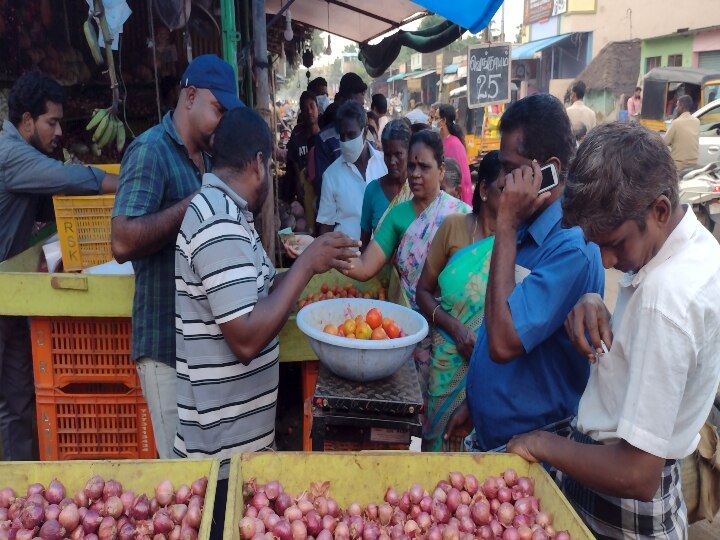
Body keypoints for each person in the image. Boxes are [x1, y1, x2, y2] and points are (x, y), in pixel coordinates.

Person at [508, 122, 720, 539]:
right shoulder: (690, 247)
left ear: (659, 210)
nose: (605, 262)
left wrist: (539, 443)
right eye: (596, 244)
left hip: (625, 504)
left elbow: (637, 474)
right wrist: (596, 304)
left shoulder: (666, 297)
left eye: (615, 245)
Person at [174, 107, 358, 540]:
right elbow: (244, 338)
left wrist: (294, 275)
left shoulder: (229, 212)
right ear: (258, 162)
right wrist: (307, 266)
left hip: (242, 445)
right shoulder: (218, 221)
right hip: (221, 454)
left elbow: (247, 293)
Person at [443, 94, 605, 452]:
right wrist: (477, 402)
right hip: (496, 436)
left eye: (510, 168)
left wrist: (504, 223)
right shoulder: (524, 224)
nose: (501, 182)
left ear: (547, 169)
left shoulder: (571, 248)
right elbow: (504, 313)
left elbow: (503, 343)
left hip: (532, 450)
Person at [111, 54, 243, 459]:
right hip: (166, 348)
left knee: (204, 472)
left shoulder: (203, 161)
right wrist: (193, 204)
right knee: (181, 478)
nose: (222, 121)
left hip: (199, 351)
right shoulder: (151, 150)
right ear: (189, 97)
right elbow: (122, 240)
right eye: (217, 109)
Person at [0, 72, 118, 461]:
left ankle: (18, 487)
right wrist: (114, 181)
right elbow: (67, 179)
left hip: (13, 293)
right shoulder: (11, 153)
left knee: (18, 396)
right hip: (6, 290)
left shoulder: (22, 153)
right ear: (28, 121)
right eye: (51, 122)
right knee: (11, 401)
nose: (57, 132)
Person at [416, 151, 501, 452]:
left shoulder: (519, 243)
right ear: (485, 190)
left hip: (493, 369)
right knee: (439, 448)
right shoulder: (454, 226)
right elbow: (422, 292)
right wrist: (456, 329)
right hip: (447, 362)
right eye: (504, 190)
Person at [344, 130, 470, 309]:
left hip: (454, 322)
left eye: (424, 167)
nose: (415, 174)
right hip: (408, 321)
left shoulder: (460, 214)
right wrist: (326, 253)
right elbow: (364, 267)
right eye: (411, 166)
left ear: (441, 171)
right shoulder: (397, 215)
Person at [316, 101, 387, 240]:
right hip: (348, 257)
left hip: (385, 254)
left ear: (365, 132)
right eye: (342, 136)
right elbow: (326, 226)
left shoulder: (385, 164)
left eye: (351, 134)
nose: (345, 140)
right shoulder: (331, 175)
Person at [313, 73, 368, 200]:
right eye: (357, 105)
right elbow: (324, 186)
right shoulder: (325, 139)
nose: (364, 102)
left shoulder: (367, 134)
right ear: (344, 101)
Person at [360, 119, 412, 248]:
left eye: (398, 154)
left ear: (409, 152)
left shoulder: (418, 190)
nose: (392, 161)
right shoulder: (372, 190)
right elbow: (364, 244)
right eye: (387, 155)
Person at [286, 91, 319, 232]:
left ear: (318, 108)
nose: (309, 111)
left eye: (312, 107)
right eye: (305, 109)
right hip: (303, 192)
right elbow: (293, 164)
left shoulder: (324, 137)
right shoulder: (297, 136)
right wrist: (298, 188)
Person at [435, 104, 473, 205]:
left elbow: (464, 179)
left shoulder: (455, 144)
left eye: (436, 118)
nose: (432, 122)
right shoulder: (439, 141)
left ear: (443, 121)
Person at [664, 94, 700, 172]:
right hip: (694, 163)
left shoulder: (676, 123)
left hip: (679, 165)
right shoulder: (697, 121)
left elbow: (665, 142)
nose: (676, 108)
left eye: (677, 106)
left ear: (682, 107)